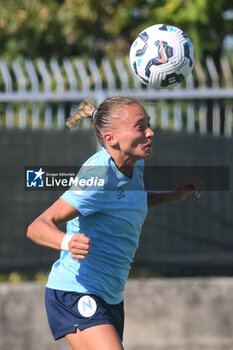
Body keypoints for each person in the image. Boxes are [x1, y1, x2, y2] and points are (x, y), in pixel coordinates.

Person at [27, 96, 204, 350]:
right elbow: (38, 226)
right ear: (110, 139)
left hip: (110, 296)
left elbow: (125, 201)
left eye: (149, 124)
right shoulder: (98, 174)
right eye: (140, 126)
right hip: (77, 291)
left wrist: (172, 194)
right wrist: (67, 241)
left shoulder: (135, 164)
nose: (150, 132)